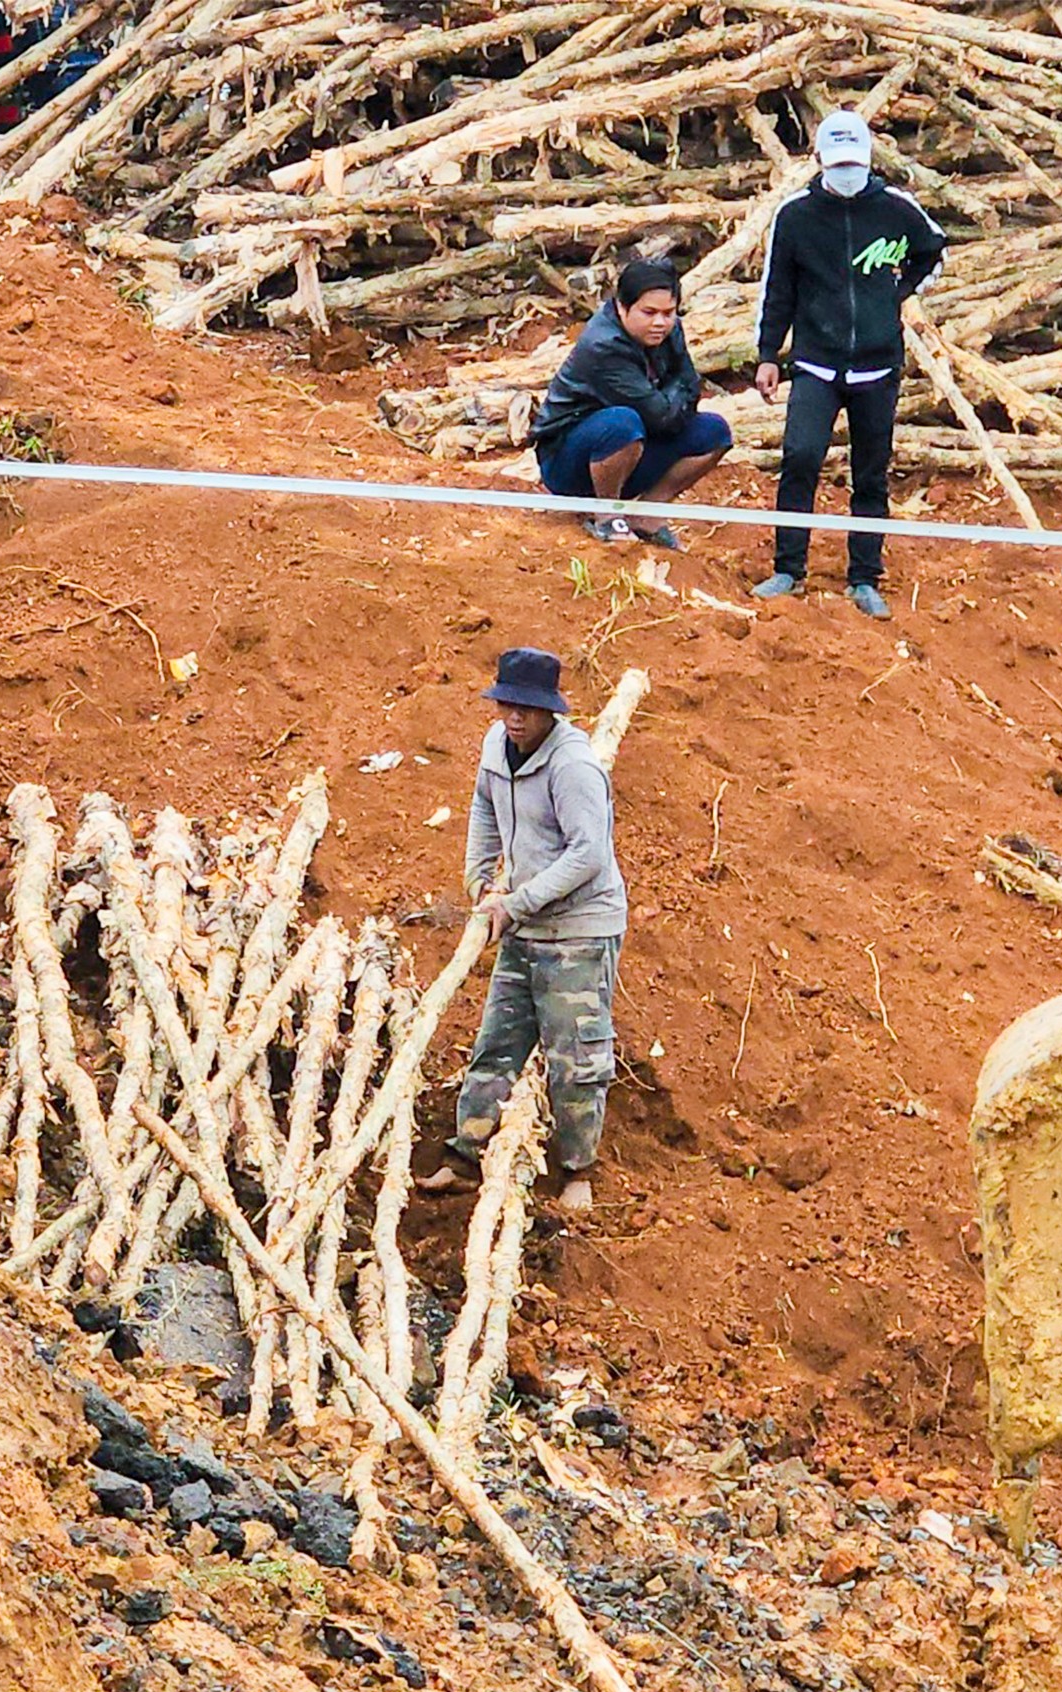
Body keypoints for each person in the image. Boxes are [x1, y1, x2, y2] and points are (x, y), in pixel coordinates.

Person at [445, 646, 626, 1217]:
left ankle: (578, 1170)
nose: (516, 718)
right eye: (507, 705)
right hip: (524, 923)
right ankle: (465, 1153)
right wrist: (480, 879)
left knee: (575, 1059)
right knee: (496, 1044)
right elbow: (482, 805)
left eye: (527, 708)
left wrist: (515, 901)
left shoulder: (573, 766)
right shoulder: (497, 746)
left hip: (578, 930)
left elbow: (588, 856)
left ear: (551, 711)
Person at [749, 108, 945, 621]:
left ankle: (864, 575)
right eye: (838, 165)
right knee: (801, 458)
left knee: (871, 473)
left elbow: (934, 251)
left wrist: (897, 293)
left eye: (854, 164)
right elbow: (777, 290)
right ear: (819, 162)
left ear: (868, 159)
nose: (847, 174)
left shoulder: (898, 210)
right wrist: (769, 354)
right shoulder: (795, 216)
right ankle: (789, 568)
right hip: (815, 363)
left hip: (878, 366)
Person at [530, 256, 731, 550]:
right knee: (623, 423)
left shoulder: (670, 331)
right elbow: (666, 411)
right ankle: (607, 515)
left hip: (636, 442)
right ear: (622, 307)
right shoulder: (603, 346)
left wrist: (674, 399)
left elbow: (690, 390)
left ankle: (647, 515)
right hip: (568, 458)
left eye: (668, 312)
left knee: (715, 432)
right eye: (648, 312)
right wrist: (676, 396)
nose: (660, 322)